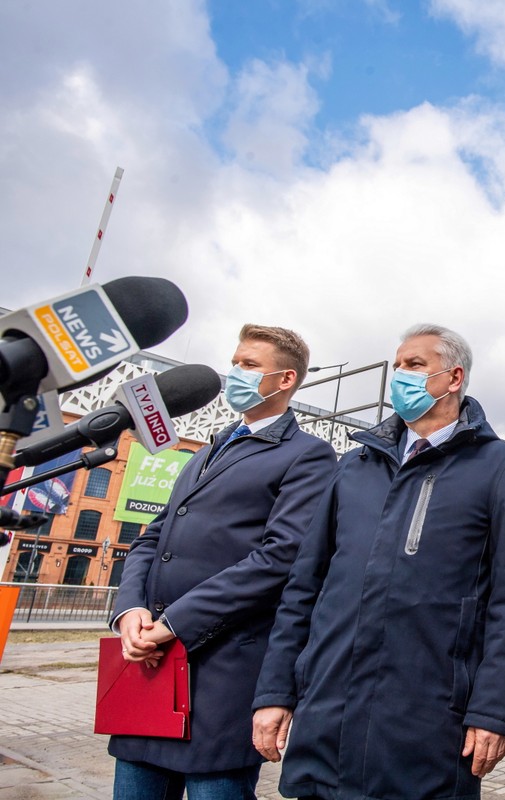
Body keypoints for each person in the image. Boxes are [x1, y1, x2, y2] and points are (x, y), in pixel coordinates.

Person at [251, 323, 505, 800]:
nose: (400, 376)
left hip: (426, 722)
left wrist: (493, 712)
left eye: (415, 365)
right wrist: (275, 693)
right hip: (327, 712)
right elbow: (305, 586)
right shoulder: (355, 466)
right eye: (398, 365)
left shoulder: (500, 466)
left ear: (454, 379)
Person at [109, 324, 337, 799]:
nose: (234, 372)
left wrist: (176, 621)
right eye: (234, 362)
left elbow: (279, 559)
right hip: (151, 668)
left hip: (219, 676)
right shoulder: (208, 450)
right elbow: (152, 538)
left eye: (249, 365)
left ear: (285, 380)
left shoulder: (307, 456)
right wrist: (130, 609)